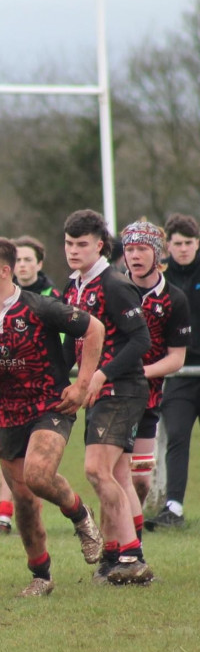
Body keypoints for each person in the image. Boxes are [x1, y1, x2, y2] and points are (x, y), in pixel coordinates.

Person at [0, 237, 105, 596]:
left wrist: (82, 385)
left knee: (37, 475)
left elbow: (94, 329)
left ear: (4, 271)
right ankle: (41, 575)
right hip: (7, 418)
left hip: (50, 407)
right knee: (23, 502)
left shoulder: (39, 307)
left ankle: (80, 515)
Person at [62, 209, 153, 584]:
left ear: (99, 245)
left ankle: (130, 557)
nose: (73, 250)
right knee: (117, 475)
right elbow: (72, 343)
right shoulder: (73, 286)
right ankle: (119, 554)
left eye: (82, 244)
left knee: (96, 470)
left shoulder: (114, 285)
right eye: (68, 243)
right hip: (101, 392)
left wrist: (100, 374)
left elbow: (141, 340)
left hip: (123, 389)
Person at [0, 235, 62, 535]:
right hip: (8, 393)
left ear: (40, 263)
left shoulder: (50, 296)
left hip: (43, 394)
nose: (24, 265)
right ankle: (4, 517)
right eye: (18, 260)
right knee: (8, 455)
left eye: (29, 259)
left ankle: (45, 512)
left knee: (38, 462)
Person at [119, 223, 189, 518]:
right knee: (109, 475)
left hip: (146, 400)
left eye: (142, 249)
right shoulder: (112, 290)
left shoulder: (174, 299)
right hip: (111, 396)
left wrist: (143, 372)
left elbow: (176, 358)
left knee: (139, 480)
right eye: (130, 249)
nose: (135, 256)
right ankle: (120, 543)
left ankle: (129, 537)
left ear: (157, 253)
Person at [149, 213, 200, 529]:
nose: (183, 249)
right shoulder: (161, 278)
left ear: (198, 243)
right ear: (168, 245)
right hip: (180, 370)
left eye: (189, 243)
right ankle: (174, 508)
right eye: (177, 243)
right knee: (177, 437)